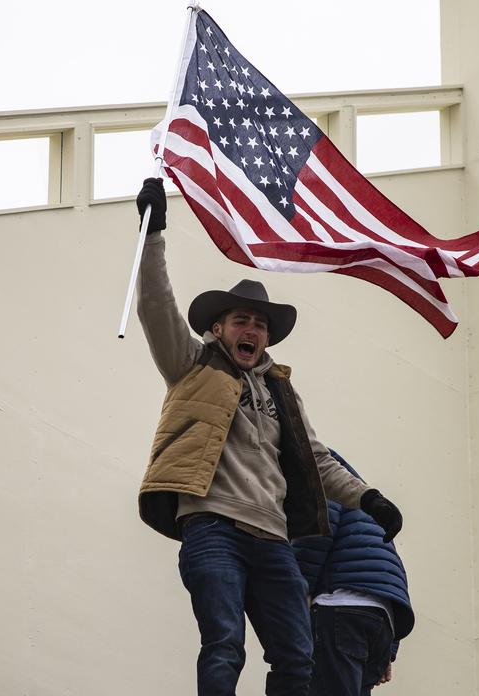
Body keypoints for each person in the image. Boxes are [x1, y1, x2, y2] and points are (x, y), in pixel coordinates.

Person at [132, 178, 405, 696]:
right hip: (213, 526)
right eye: (242, 320)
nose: (252, 330)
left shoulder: (282, 390)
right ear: (219, 328)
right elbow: (155, 305)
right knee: (224, 643)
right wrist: (153, 235)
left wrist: (368, 498)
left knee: (297, 658)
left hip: (274, 541)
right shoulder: (191, 365)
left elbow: (315, 460)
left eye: (260, 324)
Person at [293, 451, 413, 696]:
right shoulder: (368, 509)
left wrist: (301, 589)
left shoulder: (325, 483)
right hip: (381, 620)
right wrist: (389, 649)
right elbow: (390, 576)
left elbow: (317, 532)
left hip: (339, 609)